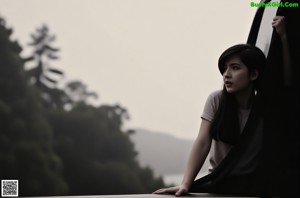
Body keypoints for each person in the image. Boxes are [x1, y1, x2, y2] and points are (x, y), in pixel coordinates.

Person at [153, 16, 290, 197]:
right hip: (220, 185)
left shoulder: (264, 107)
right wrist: (185, 184)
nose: (226, 75)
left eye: (235, 68)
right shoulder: (216, 100)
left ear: (253, 74)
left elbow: (288, 84)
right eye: (225, 69)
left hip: (254, 187)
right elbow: (202, 142)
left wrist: (284, 37)